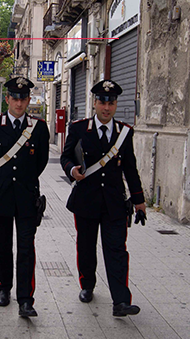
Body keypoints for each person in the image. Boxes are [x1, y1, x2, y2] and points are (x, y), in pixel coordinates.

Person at [60, 79, 147, 317]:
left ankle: (120, 301)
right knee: (86, 247)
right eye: (102, 102)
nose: (106, 108)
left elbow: (130, 168)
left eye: (111, 103)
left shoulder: (124, 133)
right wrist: (72, 170)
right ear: (94, 103)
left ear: (116, 104)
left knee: (117, 250)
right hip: (86, 200)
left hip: (114, 203)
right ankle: (87, 285)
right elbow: (65, 157)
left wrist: (139, 201)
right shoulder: (79, 129)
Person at [0, 76, 50, 318]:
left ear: (29, 100)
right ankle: (4, 287)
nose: (19, 103)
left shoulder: (38, 128)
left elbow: (40, 162)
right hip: (0, 196)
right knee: (1, 247)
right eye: (15, 98)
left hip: (27, 197)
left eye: (23, 98)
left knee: (26, 248)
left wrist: (26, 183)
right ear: (7, 99)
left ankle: (26, 299)